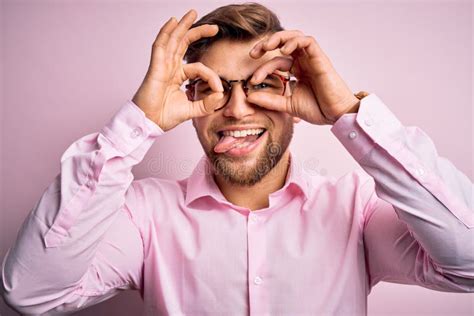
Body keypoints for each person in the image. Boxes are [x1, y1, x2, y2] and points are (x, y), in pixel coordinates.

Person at [2, 3, 473, 315]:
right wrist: (139, 121)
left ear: (297, 99)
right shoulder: (144, 215)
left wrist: (348, 113)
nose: (237, 108)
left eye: (263, 84)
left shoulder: (357, 209)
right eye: (214, 87)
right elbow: (30, 292)